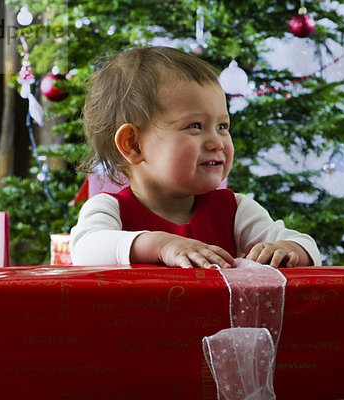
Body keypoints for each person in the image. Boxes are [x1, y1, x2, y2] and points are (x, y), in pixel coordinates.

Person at [70, 46, 321, 269]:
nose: (217, 142)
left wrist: (290, 250)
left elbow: (305, 245)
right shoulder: (109, 209)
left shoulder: (235, 210)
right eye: (195, 126)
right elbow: (84, 250)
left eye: (222, 126)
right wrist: (161, 245)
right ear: (133, 144)